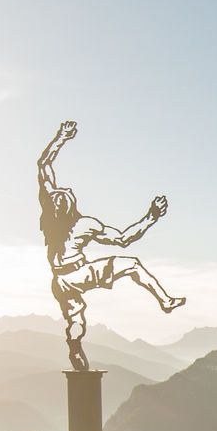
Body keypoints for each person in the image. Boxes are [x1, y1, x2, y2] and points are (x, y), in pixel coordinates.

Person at [37, 121, 184, 370]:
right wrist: (151, 217)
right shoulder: (84, 224)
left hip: (59, 280)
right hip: (78, 272)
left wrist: (61, 137)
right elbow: (124, 239)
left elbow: (44, 165)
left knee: (75, 318)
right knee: (133, 265)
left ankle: (75, 350)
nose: (65, 190)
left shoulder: (49, 212)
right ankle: (165, 301)